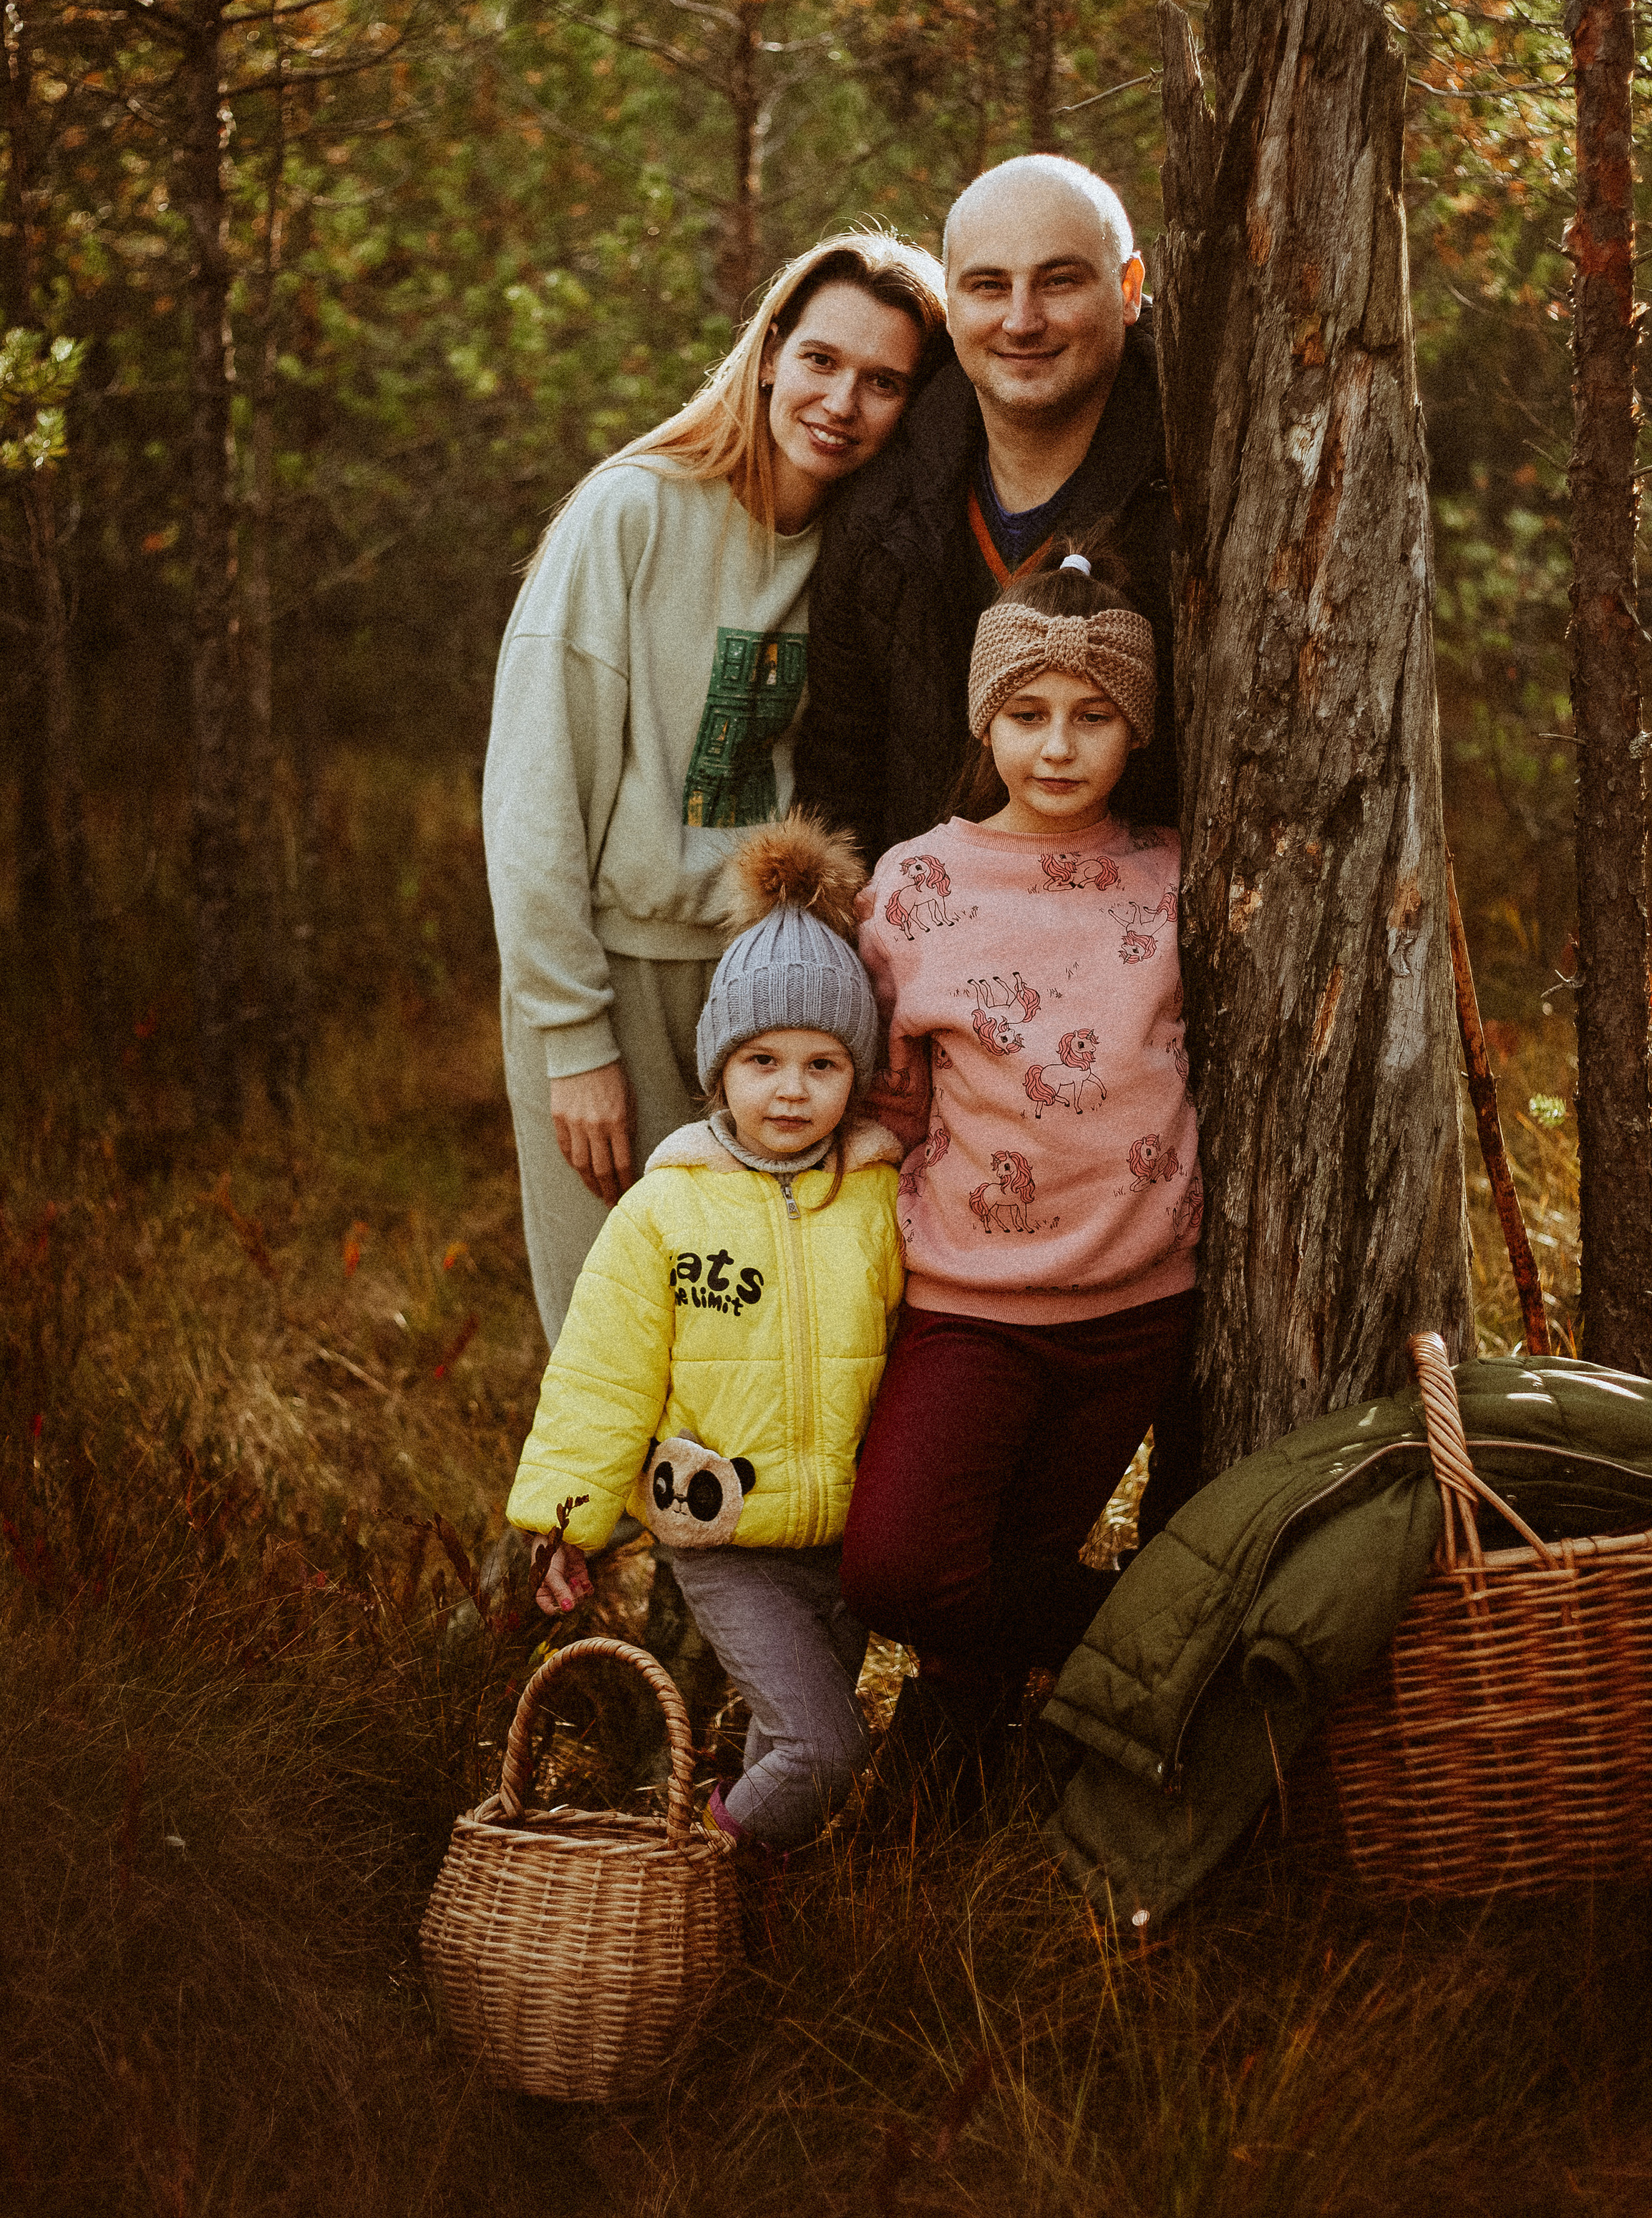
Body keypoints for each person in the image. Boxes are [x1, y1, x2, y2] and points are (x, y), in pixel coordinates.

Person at [483, 233, 946, 1349]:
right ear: (772, 351)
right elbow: (534, 795)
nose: (842, 403)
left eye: (884, 382)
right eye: (822, 361)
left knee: (759, 1338)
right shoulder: (632, 514)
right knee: (615, 1329)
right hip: (618, 977)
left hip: (782, 987)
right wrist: (572, 1039)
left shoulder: (867, 546)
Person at [838, 546, 1200, 1808]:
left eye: (1093, 716)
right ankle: (1166, 1652)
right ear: (984, 719)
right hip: (972, 1306)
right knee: (900, 1569)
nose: (1057, 745)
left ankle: (949, 1808)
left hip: (1138, 1305)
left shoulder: (1174, 874)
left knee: (1000, 1585)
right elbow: (892, 1101)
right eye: (1028, 713)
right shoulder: (916, 885)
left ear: (1136, 727)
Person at [510, 816, 905, 1850]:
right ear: (717, 1069)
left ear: (857, 1074)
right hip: (726, 1542)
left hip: (844, 1539)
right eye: (762, 1060)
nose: (791, 1089)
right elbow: (602, 1375)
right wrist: (564, 1522)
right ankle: (696, 1868)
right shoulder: (667, 1207)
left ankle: (738, 1916)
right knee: (824, 1749)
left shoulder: (879, 1198)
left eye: (823, 1064)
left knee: (783, 1742)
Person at [795, 156, 1177, 868]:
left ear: (1129, 290)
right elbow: (840, 780)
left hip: (1144, 926)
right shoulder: (877, 509)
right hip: (916, 927)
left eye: (1059, 281)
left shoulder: (1198, 488)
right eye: (988, 286)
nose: (1021, 321)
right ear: (951, 302)